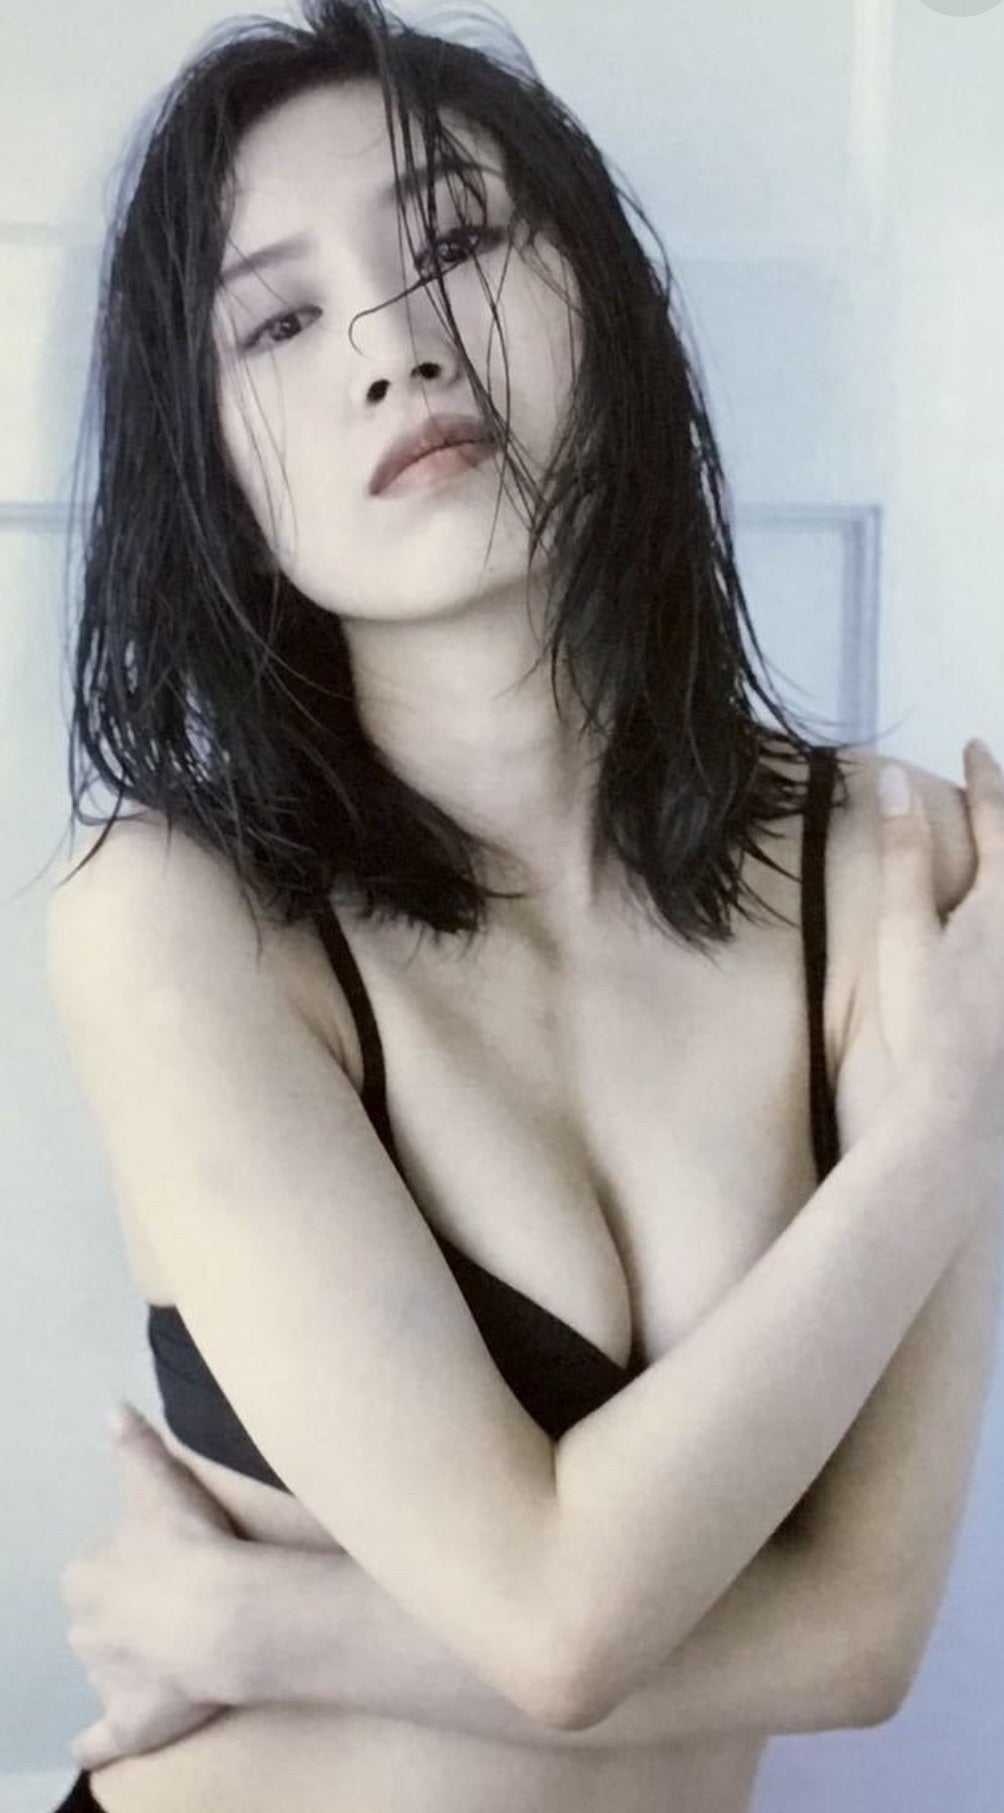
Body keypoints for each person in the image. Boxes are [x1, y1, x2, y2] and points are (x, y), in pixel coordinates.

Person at [46, 2, 1004, 1810]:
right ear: (214, 472)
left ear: (604, 309)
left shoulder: (895, 866)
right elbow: (549, 1617)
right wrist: (940, 1129)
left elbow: (863, 1635)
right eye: (277, 321)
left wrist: (256, 1625)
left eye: (457, 242)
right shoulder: (177, 917)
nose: (395, 349)